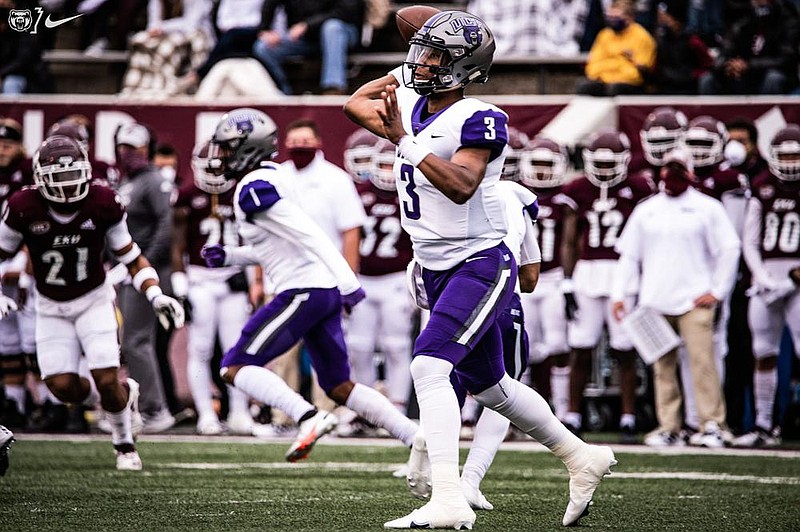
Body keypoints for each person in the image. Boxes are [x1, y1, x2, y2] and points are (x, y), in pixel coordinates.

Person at [344, 10, 615, 529]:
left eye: (433, 57)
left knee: (428, 365)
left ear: (462, 68)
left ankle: (449, 497)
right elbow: (354, 103)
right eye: (420, 53)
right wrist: (407, 71)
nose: (420, 64)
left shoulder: (481, 117)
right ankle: (582, 456)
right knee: (492, 387)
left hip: (478, 261)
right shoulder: (415, 104)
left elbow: (461, 184)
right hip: (435, 265)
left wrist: (405, 139)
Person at [199, 107, 421, 462]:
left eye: (227, 148)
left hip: (304, 290)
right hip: (320, 289)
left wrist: (349, 282)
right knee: (339, 386)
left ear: (247, 149)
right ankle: (416, 437)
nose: (222, 156)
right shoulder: (275, 175)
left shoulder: (253, 187)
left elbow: (310, 235)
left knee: (234, 367)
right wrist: (231, 257)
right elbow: (275, 246)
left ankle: (308, 416)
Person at [0, 135, 185, 469]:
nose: (70, 190)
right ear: (41, 180)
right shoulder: (23, 206)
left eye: (74, 180)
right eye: (61, 182)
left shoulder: (102, 201)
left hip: (93, 299)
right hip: (50, 305)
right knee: (62, 387)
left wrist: (156, 294)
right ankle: (122, 396)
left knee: (104, 374)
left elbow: (131, 257)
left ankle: (124, 444)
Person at [611, 149, 740, 448]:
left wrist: (718, 290)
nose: (671, 175)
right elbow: (629, 256)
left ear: (691, 172)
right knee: (662, 368)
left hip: (695, 300)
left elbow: (730, 249)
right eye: (668, 169)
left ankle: (712, 424)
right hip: (655, 300)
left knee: (702, 363)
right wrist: (620, 294)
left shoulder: (707, 208)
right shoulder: (647, 209)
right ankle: (669, 425)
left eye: (678, 169)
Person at [557, 129, 655, 443]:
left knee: (624, 348)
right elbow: (570, 240)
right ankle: (572, 414)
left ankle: (628, 417)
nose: (604, 169)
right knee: (581, 346)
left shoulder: (639, 188)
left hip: (622, 272)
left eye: (610, 162)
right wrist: (568, 282)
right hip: (587, 272)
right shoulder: (578, 189)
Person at [171, 140, 259, 436]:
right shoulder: (187, 196)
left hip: (233, 278)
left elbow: (255, 239)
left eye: (219, 166)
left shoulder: (241, 190)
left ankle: (239, 411)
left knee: (236, 348)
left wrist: (253, 280)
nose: (214, 172)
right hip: (200, 280)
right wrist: (180, 287)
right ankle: (206, 413)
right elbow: (177, 246)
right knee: (201, 348)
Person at [734, 124, 800, 447]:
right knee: (763, 350)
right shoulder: (762, 186)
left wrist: (790, 280)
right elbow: (750, 241)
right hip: (766, 279)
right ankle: (763, 425)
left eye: (795, 155)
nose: (789, 161)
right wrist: (762, 278)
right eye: (784, 154)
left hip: (796, 281)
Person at [112, 122, 176, 433]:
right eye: (124, 148)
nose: (128, 154)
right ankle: (147, 407)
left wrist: (142, 263)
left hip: (144, 272)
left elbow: (166, 225)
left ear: (146, 149)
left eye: (134, 148)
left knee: (137, 341)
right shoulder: (127, 181)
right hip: (126, 271)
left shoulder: (153, 180)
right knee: (132, 342)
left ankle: (155, 409)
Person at [347, 139, 414, 417]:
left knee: (396, 346)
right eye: (383, 165)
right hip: (363, 279)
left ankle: (396, 406)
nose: (387, 172)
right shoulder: (358, 194)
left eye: (392, 165)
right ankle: (366, 407)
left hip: (396, 280)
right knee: (358, 346)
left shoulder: (411, 196)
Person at [517, 137, 572, 420]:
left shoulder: (565, 199)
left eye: (547, 164)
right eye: (536, 163)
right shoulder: (518, 196)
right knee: (524, 346)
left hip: (553, 278)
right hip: (525, 279)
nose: (541, 171)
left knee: (558, 345)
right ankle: (523, 414)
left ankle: (562, 410)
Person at [252, 0, 364, 95]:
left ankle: (333, 87)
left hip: (342, 35)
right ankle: (283, 94)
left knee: (331, 27)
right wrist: (265, 29)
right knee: (263, 48)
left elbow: (346, 11)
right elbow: (270, 4)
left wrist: (307, 25)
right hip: (307, 40)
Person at [698, 0, 799, 95]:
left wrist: (749, 65)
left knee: (773, 78)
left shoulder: (788, 22)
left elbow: (786, 59)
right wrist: (729, 65)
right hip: (746, 75)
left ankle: (769, 112)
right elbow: (725, 52)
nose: (758, 2)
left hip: (772, 73)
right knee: (708, 80)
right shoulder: (744, 22)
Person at [120, 0, 214, 97]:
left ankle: (161, 88)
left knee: (166, 49)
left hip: (194, 35)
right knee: (139, 41)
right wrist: (156, 30)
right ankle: (134, 88)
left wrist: (162, 28)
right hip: (165, 35)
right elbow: (152, 23)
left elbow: (191, 25)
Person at [575, 0, 657, 96]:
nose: (612, 21)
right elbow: (593, 66)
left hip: (630, 83)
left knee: (614, 88)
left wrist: (611, 69)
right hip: (604, 79)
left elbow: (638, 72)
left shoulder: (642, 37)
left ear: (629, 18)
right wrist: (609, 72)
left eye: (616, 17)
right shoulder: (604, 35)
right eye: (610, 17)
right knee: (584, 86)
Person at [650, 0, 713, 94]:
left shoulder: (693, 41)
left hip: (688, 89)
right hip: (666, 88)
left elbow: (708, 65)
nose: (663, 19)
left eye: (667, 17)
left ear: (677, 20)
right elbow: (656, 68)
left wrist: (691, 75)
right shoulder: (662, 41)